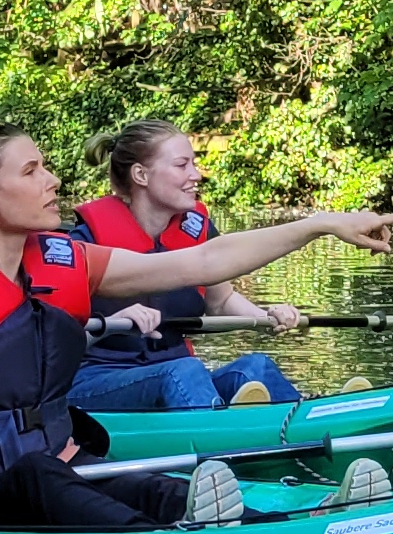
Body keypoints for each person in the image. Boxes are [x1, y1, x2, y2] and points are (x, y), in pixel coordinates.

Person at [0, 119, 393, 531]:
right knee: (39, 478)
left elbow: (208, 257)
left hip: (59, 469)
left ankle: (282, 526)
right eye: (33, 170)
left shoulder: (66, 261)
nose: (54, 180)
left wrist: (321, 224)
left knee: (157, 487)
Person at [72, 118, 309, 413]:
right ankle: (224, 447)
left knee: (255, 367)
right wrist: (112, 322)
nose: (196, 175)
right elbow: (49, 334)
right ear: (141, 175)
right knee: (184, 370)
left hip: (174, 373)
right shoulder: (81, 244)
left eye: (193, 164)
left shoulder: (198, 232)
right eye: (181, 165)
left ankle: (314, 430)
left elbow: (221, 302)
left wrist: (266, 317)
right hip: (96, 381)